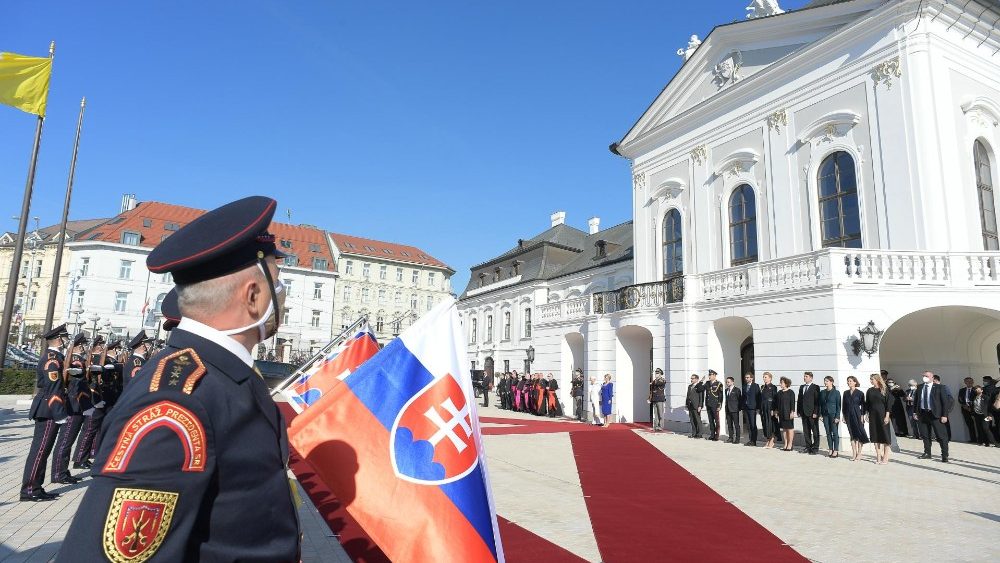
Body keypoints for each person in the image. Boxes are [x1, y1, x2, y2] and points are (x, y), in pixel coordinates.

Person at [59, 196, 300, 561]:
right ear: (253, 296)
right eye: (278, 287)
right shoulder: (175, 404)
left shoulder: (222, 376)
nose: (283, 301)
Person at [19, 324, 70, 502]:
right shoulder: (52, 359)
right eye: (65, 337)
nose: (66, 340)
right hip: (48, 409)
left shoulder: (56, 357)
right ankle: (29, 489)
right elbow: (53, 387)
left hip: (49, 408)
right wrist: (59, 413)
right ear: (59, 339)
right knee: (40, 450)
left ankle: (36, 486)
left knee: (44, 450)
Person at [51, 333, 91, 485]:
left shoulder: (76, 360)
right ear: (78, 346)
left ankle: (63, 471)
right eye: (83, 345)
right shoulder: (72, 361)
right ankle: (58, 473)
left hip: (79, 405)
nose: (84, 348)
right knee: (65, 441)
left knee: (69, 440)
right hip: (72, 405)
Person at [914, 370, 953, 463]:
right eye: (923, 376)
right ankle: (927, 453)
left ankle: (944, 455)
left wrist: (944, 415)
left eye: (927, 376)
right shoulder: (919, 387)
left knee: (941, 436)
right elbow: (916, 401)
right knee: (925, 435)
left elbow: (945, 402)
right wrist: (915, 413)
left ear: (932, 377)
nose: (924, 377)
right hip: (923, 414)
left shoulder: (940, 387)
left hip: (936, 415)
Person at [867, 373, 893, 465]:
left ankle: (885, 457)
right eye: (870, 379)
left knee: (885, 436)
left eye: (872, 379)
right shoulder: (869, 390)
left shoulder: (885, 389)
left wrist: (887, 416)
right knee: (875, 436)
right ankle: (878, 456)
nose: (871, 381)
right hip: (873, 416)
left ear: (877, 380)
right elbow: (868, 404)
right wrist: (867, 414)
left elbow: (888, 404)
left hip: (882, 415)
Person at [843, 375, 869, 462]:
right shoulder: (845, 393)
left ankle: (859, 454)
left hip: (857, 415)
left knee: (859, 433)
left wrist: (862, 415)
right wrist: (843, 416)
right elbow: (844, 406)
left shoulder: (860, 393)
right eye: (848, 381)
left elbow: (863, 405)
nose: (848, 382)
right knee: (852, 434)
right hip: (848, 415)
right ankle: (854, 453)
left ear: (855, 382)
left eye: (850, 381)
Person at [797, 371, 820, 454]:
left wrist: (816, 412)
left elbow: (817, 401)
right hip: (803, 412)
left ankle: (815, 447)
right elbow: (799, 399)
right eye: (804, 376)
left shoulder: (815, 387)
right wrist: (798, 411)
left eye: (806, 376)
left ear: (811, 378)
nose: (804, 378)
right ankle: (808, 447)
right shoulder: (802, 387)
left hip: (812, 413)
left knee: (815, 431)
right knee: (806, 431)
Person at [819, 376, 841, 458]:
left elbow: (839, 406)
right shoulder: (822, 392)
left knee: (835, 433)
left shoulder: (836, 392)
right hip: (825, 415)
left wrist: (837, 417)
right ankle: (830, 449)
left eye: (827, 381)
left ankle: (836, 450)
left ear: (831, 382)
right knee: (828, 433)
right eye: (825, 381)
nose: (825, 383)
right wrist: (820, 415)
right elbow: (820, 404)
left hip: (833, 414)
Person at [775, 377, 796, 451]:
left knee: (790, 429)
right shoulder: (779, 393)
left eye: (782, 382)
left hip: (788, 413)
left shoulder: (791, 392)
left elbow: (792, 403)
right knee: (784, 429)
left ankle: (790, 444)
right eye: (780, 382)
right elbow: (777, 404)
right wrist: (776, 411)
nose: (780, 384)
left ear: (786, 383)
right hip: (781, 413)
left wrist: (792, 412)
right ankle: (786, 443)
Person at [703, 370, 723, 441]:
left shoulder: (719, 384)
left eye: (711, 375)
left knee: (716, 421)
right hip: (708, 404)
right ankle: (712, 434)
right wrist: (701, 381)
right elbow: (700, 389)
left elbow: (720, 395)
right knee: (711, 420)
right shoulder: (707, 383)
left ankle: (717, 435)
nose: (709, 376)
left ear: (714, 375)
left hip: (715, 405)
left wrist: (719, 405)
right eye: (709, 375)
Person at [741, 372, 760, 446]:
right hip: (746, 408)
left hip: (752, 408)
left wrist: (758, 408)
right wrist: (742, 407)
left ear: (752, 378)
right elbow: (743, 398)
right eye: (746, 377)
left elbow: (758, 397)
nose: (746, 379)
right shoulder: (744, 386)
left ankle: (754, 440)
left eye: (748, 377)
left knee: (753, 424)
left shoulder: (755, 386)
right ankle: (750, 439)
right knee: (748, 425)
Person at [760, 372, 778, 448]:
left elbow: (775, 399)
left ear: (770, 378)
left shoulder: (773, 387)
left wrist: (773, 409)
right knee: (765, 424)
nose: (764, 378)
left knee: (770, 424)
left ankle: (772, 441)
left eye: (766, 377)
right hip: (763, 408)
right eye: (763, 377)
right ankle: (768, 440)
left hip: (770, 407)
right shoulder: (762, 387)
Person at [958, 376, 979, 443]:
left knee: (979, 424)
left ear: (973, 382)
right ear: (965, 382)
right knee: (970, 425)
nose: (969, 383)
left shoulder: (975, 390)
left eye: (971, 381)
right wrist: (964, 405)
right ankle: (973, 439)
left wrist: (972, 407)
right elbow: (960, 399)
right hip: (965, 409)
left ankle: (981, 439)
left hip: (975, 409)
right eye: (967, 382)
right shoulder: (962, 390)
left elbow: (978, 399)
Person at [933, 374, 953, 440]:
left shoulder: (944, 387)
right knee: (937, 424)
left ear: (935, 380)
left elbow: (950, 399)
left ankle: (947, 438)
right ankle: (939, 437)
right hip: (935, 410)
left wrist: (947, 409)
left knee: (945, 424)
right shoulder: (933, 388)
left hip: (943, 409)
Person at [686, 373, 705, 438]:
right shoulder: (690, 386)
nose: (691, 380)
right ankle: (694, 433)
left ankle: (700, 433)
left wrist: (700, 405)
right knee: (692, 420)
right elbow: (688, 396)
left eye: (693, 378)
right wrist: (686, 404)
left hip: (696, 405)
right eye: (691, 378)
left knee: (697, 420)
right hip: (690, 405)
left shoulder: (699, 386)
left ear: (697, 379)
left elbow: (701, 397)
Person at [724, 376, 741, 444]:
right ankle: (730, 437)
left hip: (734, 410)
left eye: (728, 382)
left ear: (732, 382)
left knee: (736, 425)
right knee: (729, 424)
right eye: (726, 382)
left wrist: (738, 408)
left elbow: (739, 400)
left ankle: (737, 439)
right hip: (728, 409)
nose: (727, 383)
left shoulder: (737, 390)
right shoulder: (726, 390)